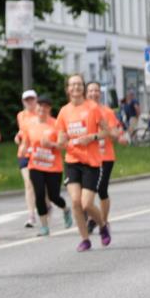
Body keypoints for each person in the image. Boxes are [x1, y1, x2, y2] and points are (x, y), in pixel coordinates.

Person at [55, 73, 110, 252]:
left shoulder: (92, 107)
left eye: (79, 85)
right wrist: (62, 141)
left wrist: (92, 137)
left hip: (91, 162)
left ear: (83, 88)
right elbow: (61, 139)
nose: (76, 88)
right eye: (73, 85)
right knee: (76, 202)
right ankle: (85, 238)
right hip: (72, 161)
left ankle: (102, 225)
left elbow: (106, 132)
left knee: (87, 204)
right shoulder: (64, 111)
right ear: (67, 89)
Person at [22, 95, 72, 236]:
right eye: (40, 106)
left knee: (53, 196)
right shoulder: (29, 124)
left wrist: (52, 145)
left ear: (49, 109)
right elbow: (25, 143)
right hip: (35, 165)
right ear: (36, 107)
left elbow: (64, 145)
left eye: (46, 106)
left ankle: (66, 209)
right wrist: (24, 149)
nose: (42, 109)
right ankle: (44, 227)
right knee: (39, 195)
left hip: (53, 167)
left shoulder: (56, 124)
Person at [87, 81, 127, 230]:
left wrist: (111, 133)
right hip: (87, 157)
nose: (93, 93)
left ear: (100, 93)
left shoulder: (107, 112)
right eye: (90, 91)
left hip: (105, 156)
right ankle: (92, 217)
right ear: (86, 93)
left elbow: (116, 133)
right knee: (87, 189)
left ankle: (103, 221)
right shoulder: (82, 111)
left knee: (101, 189)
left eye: (96, 90)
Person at [15, 90, 39, 228]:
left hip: (40, 154)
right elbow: (22, 132)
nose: (29, 102)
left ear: (36, 100)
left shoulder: (41, 113)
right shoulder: (21, 115)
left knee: (42, 186)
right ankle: (31, 215)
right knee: (28, 183)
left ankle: (46, 204)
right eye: (26, 100)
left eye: (32, 99)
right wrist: (18, 137)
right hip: (24, 153)